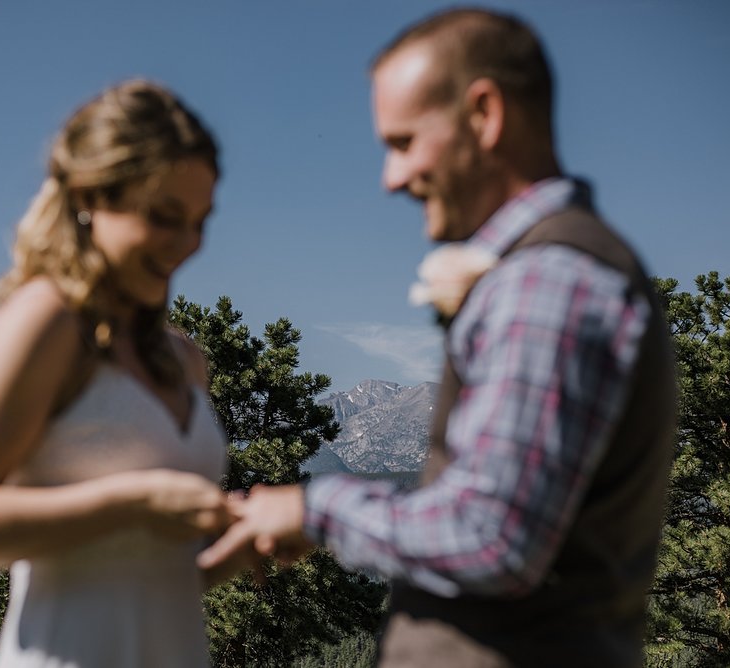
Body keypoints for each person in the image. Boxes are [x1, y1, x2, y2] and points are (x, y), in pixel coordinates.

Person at [198, 8, 677, 667]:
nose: (390, 179)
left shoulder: (547, 282)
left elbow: (492, 538)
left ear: (483, 114)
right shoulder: (554, 269)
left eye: (402, 143)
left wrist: (316, 508)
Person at [0, 79, 246, 667]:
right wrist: (136, 501)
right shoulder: (45, 321)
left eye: (200, 221)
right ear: (93, 196)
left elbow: (130, 578)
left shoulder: (184, 359)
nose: (188, 244)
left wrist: (229, 560)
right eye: (166, 216)